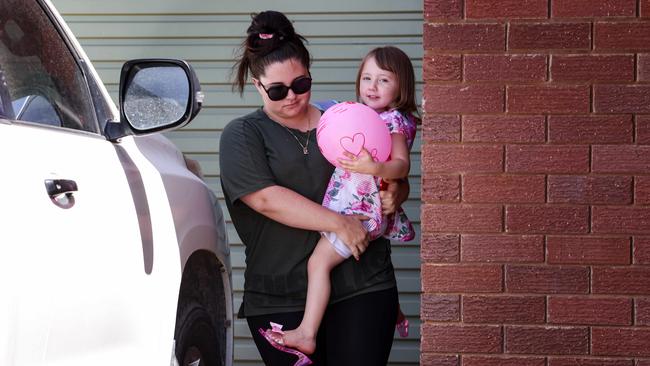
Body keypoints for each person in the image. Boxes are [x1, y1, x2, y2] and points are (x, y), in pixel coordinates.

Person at [219, 10, 409, 366]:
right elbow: (265, 198)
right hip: (281, 296)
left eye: (301, 84)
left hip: (363, 285)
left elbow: (387, 169)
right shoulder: (242, 135)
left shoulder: (344, 118)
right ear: (258, 85)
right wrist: (340, 223)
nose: (291, 96)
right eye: (277, 90)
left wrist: (398, 191)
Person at [275, 46, 419, 356]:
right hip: (357, 205)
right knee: (353, 264)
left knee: (319, 263)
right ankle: (390, 309)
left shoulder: (392, 120)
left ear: (401, 86)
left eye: (383, 80)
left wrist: (375, 168)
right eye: (367, 78)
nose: (372, 86)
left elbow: (402, 165)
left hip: (360, 212)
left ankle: (306, 333)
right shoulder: (366, 116)